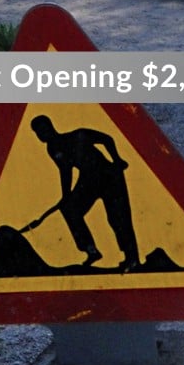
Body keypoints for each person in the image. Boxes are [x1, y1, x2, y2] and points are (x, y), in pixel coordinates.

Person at [28, 115, 140, 270]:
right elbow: (65, 170)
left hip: (108, 175)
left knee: (118, 218)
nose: (40, 135)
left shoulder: (79, 135)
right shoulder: (53, 149)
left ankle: (132, 258)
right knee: (70, 209)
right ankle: (91, 250)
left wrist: (117, 160)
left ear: (50, 127)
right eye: (37, 132)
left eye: (42, 130)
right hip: (87, 180)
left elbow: (107, 139)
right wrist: (66, 196)